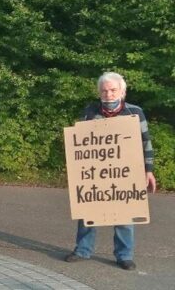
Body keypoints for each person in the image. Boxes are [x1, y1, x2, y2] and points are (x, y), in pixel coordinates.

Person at [64, 72, 157, 271]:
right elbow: (81, 144)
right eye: (104, 90)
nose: (109, 94)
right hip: (95, 173)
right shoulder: (90, 111)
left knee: (124, 212)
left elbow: (145, 142)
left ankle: (124, 255)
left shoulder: (135, 112)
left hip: (125, 173)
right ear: (99, 93)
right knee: (88, 209)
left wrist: (148, 170)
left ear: (122, 91)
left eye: (113, 90)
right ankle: (82, 250)